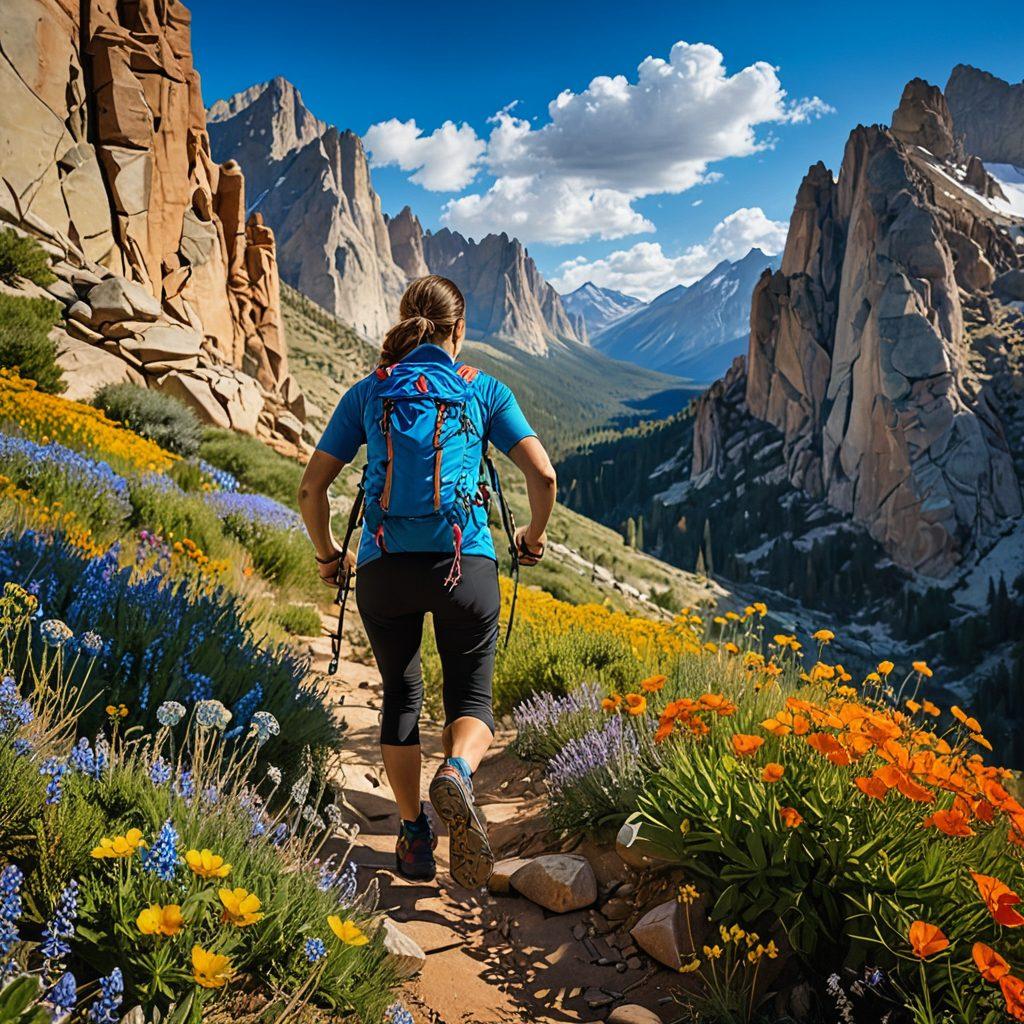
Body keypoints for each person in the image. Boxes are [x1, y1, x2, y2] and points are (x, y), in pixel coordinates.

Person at [298, 274, 556, 889]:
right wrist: (532, 538)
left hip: (385, 568)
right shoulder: (483, 390)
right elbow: (542, 478)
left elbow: (312, 488)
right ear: (458, 331)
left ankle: (413, 837)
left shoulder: (369, 392)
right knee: (471, 697)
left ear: (404, 322)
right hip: (464, 566)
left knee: (401, 694)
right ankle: (459, 773)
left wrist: (330, 555)